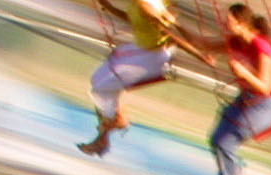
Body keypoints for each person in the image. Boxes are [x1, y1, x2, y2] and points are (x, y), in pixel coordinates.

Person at [79, 0, 213, 158]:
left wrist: (200, 55)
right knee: (97, 80)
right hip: (141, 48)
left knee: (101, 89)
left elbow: (170, 35)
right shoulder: (145, 4)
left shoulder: (145, 6)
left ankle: (107, 131)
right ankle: (107, 131)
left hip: (153, 57)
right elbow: (135, 19)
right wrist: (110, 8)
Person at [202, 5, 271, 175]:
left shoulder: (262, 47)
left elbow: (265, 87)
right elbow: (202, 44)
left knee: (226, 142)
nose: (226, 25)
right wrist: (167, 23)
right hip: (246, 100)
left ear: (242, 23)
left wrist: (243, 73)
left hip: (267, 105)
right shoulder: (235, 41)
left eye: (229, 21)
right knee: (217, 140)